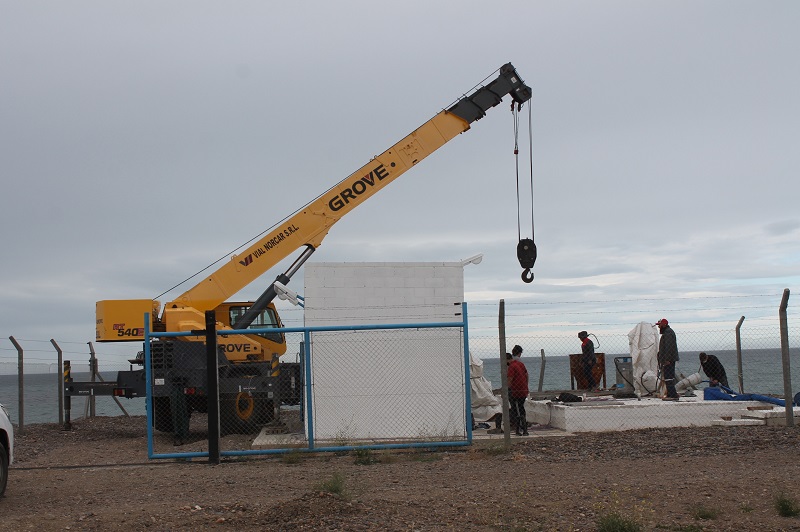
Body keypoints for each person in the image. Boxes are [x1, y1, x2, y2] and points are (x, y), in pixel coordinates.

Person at [507, 345, 530, 436]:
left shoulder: (512, 366)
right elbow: (526, 374)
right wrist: (526, 385)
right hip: (523, 389)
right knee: (521, 408)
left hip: (515, 390)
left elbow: (510, 379)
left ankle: (517, 429)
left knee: (515, 409)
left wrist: (507, 389)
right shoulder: (520, 363)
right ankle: (524, 429)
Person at [656, 318, 680, 400]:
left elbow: (669, 347)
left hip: (668, 360)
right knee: (668, 377)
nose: (659, 327)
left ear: (664, 325)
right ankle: (670, 393)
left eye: (659, 325)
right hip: (668, 359)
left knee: (669, 377)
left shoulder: (668, 333)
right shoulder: (667, 333)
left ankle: (673, 395)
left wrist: (667, 360)